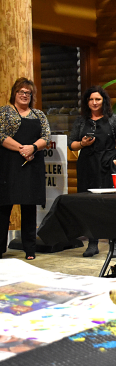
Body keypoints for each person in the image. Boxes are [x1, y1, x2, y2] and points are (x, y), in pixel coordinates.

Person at [68, 86, 116, 257]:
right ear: (87, 102)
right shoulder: (81, 121)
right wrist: (82, 144)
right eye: (91, 99)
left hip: (108, 164)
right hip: (87, 165)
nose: (94, 103)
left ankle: (114, 243)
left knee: (110, 205)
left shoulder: (113, 119)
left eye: (98, 99)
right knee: (89, 204)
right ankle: (92, 243)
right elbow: (71, 142)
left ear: (104, 101)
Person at [0, 77, 51, 260]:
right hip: (8, 166)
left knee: (29, 208)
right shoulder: (4, 112)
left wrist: (34, 148)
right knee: (4, 207)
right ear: (15, 93)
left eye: (28, 93)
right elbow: (1, 135)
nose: (24, 95)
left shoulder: (39, 115)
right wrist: (22, 149)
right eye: (21, 92)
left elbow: (46, 135)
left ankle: (30, 249)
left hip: (32, 165)